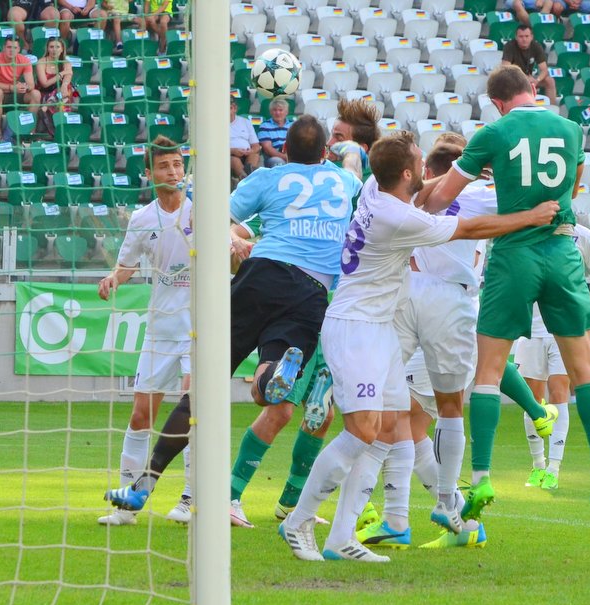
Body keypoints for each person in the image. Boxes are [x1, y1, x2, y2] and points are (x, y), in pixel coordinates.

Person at [277, 130, 559, 562]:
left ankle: (340, 537)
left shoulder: (376, 188)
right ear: (407, 172)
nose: (425, 170)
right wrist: (532, 216)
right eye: (418, 163)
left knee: (390, 428)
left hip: (379, 327)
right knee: (364, 430)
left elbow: (427, 190)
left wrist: (461, 175)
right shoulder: (400, 217)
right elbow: (471, 226)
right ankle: (298, 521)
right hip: (357, 329)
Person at [105, 115, 363, 516]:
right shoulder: (344, 182)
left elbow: (206, 219)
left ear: (285, 151)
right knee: (269, 377)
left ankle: (145, 484)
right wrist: (347, 152)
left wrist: (229, 238)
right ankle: (272, 372)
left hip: (263, 276)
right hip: (312, 291)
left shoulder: (266, 178)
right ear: (323, 152)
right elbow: (354, 163)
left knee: (202, 389)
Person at [422, 64, 590, 518]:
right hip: (562, 250)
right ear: (533, 89)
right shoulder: (570, 129)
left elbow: (438, 200)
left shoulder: (493, 133)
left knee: (488, 371)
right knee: (583, 369)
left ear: (497, 103)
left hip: (514, 255)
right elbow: (572, 184)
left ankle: (484, 479)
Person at [225, 98, 380, 530]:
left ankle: (292, 502)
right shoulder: (343, 180)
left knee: (323, 411)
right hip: (313, 302)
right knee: (284, 409)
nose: (331, 143)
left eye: (340, 136)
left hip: (339, 308)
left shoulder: (366, 186)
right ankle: (231, 494)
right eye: (329, 136)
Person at [354, 140, 497, 549]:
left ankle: (424, 511)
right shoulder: (476, 191)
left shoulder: (400, 191)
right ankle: (435, 506)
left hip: (406, 292)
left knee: (397, 410)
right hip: (449, 302)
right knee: (422, 410)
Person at [96, 135, 194, 526]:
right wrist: (113, 278)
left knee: (193, 412)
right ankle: (125, 505)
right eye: (165, 166)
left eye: (177, 164)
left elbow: (233, 242)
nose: (173, 171)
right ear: (150, 173)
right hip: (159, 330)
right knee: (141, 415)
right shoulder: (141, 220)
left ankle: (190, 500)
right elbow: (127, 265)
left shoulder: (200, 213)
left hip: (198, 333)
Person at [518, 223, 590, 491]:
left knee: (559, 393)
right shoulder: (528, 227)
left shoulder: (581, 233)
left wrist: (587, 312)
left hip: (565, 328)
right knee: (532, 400)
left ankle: (554, 468)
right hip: (530, 329)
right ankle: (538, 466)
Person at [0, 37, 43, 140]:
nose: (11, 50)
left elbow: (31, 85)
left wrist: (24, 87)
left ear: (19, 49)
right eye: (9, 47)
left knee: (36, 94)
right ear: (3, 48)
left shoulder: (24, 60)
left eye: (14, 47)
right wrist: (12, 88)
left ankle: (29, 131)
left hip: (15, 94)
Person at [502, 25, 557, 102]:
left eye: (527, 36)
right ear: (516, 37)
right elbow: (505, 68)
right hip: (513, 77)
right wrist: (524, 78)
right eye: (521, 36)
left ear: (531, 37)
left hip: (530, 78)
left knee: (550, 81)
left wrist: (537, 80)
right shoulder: (509, 46)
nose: (524, 39)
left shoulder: (536, 46)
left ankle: (552, 109)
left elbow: (544, 70)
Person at [35, 37, 75, 137]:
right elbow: (45, 84)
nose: (54, 50)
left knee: (67, 88)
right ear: (47, 49)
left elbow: (68, 78)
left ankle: (47, 107)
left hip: (60, 95)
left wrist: (64, 85)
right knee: (62, 94)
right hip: (44, 93)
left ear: (62, 49)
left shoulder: (66, 63)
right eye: (51, 47)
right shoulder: (42, 62)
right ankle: (57, 132)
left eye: (57, 47)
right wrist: (61, 74)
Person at [230, 96, 260, 182]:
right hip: (229, 155)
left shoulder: (245, 122)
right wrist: (233, 151)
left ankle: (248, 179)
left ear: (235, 108)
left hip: (247, 153)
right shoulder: (217, 123)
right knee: (235, 161)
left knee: (255, 156)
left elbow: (256, 146)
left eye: (230, 108)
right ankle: (246, 181)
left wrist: (250, 151)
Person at [258, 96, 291, 168]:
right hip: (274, 157)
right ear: (270, 112)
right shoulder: (265, 126)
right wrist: (286, 157)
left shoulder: (293, 125)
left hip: (291, 154)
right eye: (274, 110)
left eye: (280, 110)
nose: (277, 113)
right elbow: (267, 149)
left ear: (286, 112)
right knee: (278, 163)